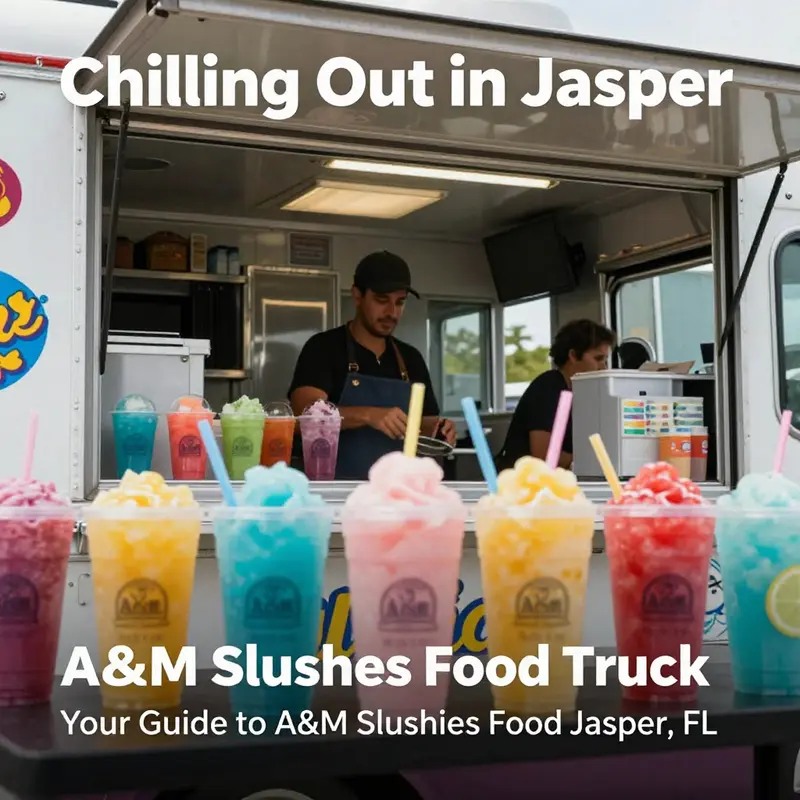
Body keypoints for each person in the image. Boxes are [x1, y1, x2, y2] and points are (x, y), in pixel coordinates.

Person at [288, 250, 456, 480]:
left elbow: (425, 426)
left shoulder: (411, 358)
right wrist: (367, 415)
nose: (392, 312)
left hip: (396, 492)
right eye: (381, 300)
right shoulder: (323, 348)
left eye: (400, 302)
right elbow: (304, 416)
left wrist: (441, 430)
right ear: (357, 296)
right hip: (336, 492)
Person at [495, 319, 615, 471]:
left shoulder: (583, 395)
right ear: (573, 355)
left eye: (605, 360)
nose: (603, 367)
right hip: (523, 480)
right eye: (598, 359)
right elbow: (544, 457)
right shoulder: (548, 388)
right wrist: (588, 457)